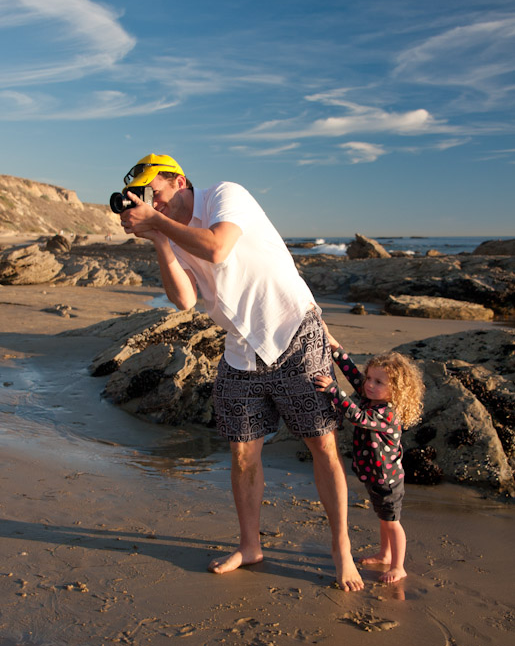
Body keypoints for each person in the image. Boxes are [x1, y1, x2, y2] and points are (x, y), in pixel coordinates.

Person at [119, 153, 364, 591]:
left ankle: (341, 548)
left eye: (153, 194)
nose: (149, 203)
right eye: (142, 199)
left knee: (322, 445)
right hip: (240, 351)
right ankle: (250, 545)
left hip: (293, 330)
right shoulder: (168, 231)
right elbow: (184, 301)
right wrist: (157, 239)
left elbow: (216, 246)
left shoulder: (225, 196)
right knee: (242, 454)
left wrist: (158, 225)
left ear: (178, 181)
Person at [315, 331, 424, 584]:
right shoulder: (370, 396)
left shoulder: (387, 413)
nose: (369, 385)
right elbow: (354, 374)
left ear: (396, 390)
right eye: (370, 379)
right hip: (375, 476)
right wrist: (334, 348)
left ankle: (398, 566)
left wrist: (334, 391)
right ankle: (385, 554)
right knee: (384, 518)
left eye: (379, 382)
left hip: (388, 479)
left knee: (392, 522)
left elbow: (358, 417)